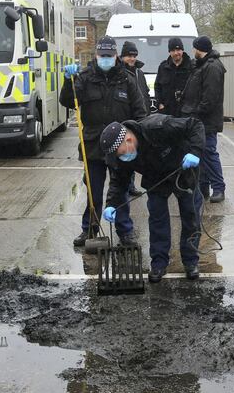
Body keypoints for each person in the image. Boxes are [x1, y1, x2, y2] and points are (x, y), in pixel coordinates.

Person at [60, 36, 147, 247]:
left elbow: (140, 112)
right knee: (94, 191)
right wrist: (67, 80)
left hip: (120, 147)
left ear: (115, 55)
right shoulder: (85, 77)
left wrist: (135, 139)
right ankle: (88, 229)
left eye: (109, 55)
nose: (106, 59)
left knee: (122, 191)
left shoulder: (127, 80)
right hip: (93, 145)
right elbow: (67, 101)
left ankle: (125, 231)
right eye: (102, 56)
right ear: (96, 55)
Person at [100, 115, 205, 282]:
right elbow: (118, 182)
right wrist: (111, 204)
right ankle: (159, 263)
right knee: (157, 219)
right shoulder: (122, 155)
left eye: (121, 154)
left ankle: (191, 261)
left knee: (190, 217)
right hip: (156, 179)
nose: (121, 158)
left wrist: (195, 152)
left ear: (128, 139)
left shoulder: (158, 127)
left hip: (183, 171)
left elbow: (195, 124)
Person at [180, 35, 226, 203]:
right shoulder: (201, 65)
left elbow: (210, 97)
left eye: (194, 48)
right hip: (199, 119)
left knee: (209, 153)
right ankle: (203, 187)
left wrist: (196, 112)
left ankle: (219, 188)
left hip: (206, 120)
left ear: (200, 49)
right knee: (202, 153)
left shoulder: (212, 67)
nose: (193, 52)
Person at [120, 40, 152, 196]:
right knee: (127, 153)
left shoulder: (139, 72)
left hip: (140, 118)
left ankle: (131, 185)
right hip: (125, 119)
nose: (131, 58)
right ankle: (127, 185)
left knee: (136, 153)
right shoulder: (119, 72)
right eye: (128, 56)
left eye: (134, 55)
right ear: (122, 56)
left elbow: (144, 92)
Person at [154, 37, 193, 117]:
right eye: (173, 50)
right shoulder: (163, 67)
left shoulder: (192, 66)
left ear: (182, 50)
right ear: (169, 52)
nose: (176, 53)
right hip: (167, 112)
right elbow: (157, 87)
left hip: (186, 113)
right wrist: (160, 104)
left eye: (178, 50)